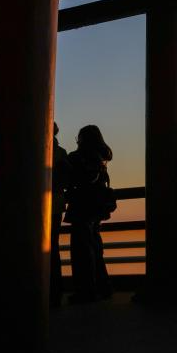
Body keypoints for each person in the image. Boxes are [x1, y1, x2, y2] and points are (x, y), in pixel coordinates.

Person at [64, 124, 116, 303]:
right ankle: (103, 286)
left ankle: (86, 290)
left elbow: (77, 178)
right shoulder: (101, 158)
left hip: (82, 207)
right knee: (95, 247)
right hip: (96, 208)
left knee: (81, 250)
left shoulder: (79, 158)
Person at [50, 123, 74, 308]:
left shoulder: (46, 151)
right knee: (53, 246)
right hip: (57, 203)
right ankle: (55, 290)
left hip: (44, 203)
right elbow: (67, 180)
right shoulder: (62, 153)